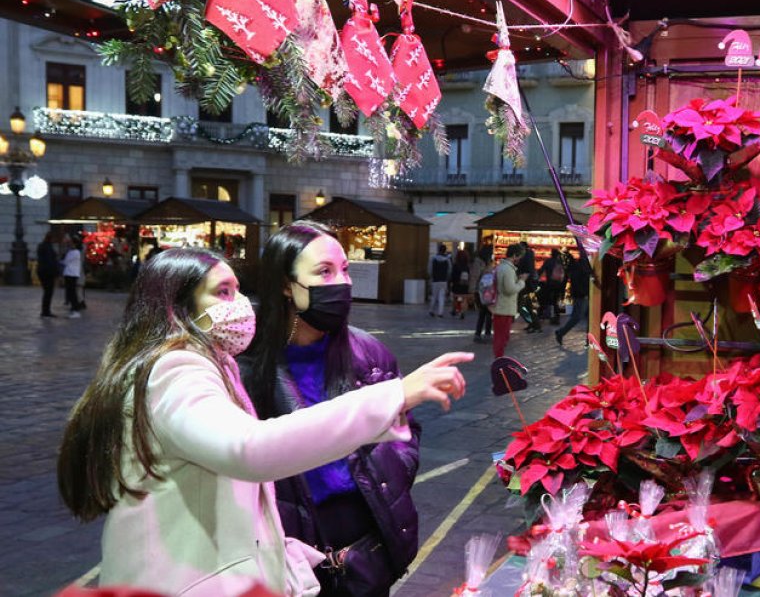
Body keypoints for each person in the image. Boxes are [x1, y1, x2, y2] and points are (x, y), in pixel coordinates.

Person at [57, 248, 469, 596]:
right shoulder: (175, 368)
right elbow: (250, 450)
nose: (239, 304)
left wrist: (277, 549)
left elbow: (218, 490)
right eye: (222, 292)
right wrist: (395, 394)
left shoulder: (209, 361)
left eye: (238, 289)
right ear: (178, 307)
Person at [240, 221, 456, 595]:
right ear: (285, 285)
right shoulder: (247, 366)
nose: (341, 283)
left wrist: (393, 472)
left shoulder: (368, 351)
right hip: (290, 548)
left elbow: (406, 429)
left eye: (345, 270)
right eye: (324, 271)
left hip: (366, 537)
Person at [492, 244, 526, 359]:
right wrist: (521, 281)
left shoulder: (502, 267)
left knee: (501, 336)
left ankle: (499, 358)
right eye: (519, 256)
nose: (520, 259)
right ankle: (499, 360)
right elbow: (510, 289)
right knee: (502, 337)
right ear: (515, 255)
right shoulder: (508, 269)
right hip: (504, 308)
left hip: (502, 307)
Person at [554, 251, 592, 346]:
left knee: (584, 317)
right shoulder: (578, 266)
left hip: (582, 295)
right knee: (578, 317)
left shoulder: (575, 267)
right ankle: (561, 332)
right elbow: (581, 281)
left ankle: (589, 340)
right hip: (583, 295)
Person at [470, 245, 494, 342]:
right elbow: (474, 277)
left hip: (486, 290)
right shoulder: (480, 263)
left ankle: (483, 334)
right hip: (480, 291)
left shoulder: (485, 262)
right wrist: (472, 290)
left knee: (486, 312)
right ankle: (480, 334)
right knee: (484, 312)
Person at [37, 230, 61, 317]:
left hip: (43, 272)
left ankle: (45, 310)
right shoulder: (48, 247)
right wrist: (56, 273)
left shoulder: (43, 246)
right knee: (48, 292)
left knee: (47, 292)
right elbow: (50, 262)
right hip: (47, 273)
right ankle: (45, 311)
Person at [538, 248, 565, 325]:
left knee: (546, 300)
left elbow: (541, 270)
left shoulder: (548, 261)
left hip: (549, 284)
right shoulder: (559, 262)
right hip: (558, 285)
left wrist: (537, 277)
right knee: (555, 301)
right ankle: (556, 318)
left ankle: (541, 315)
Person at [517, 241, 540, 332]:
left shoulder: (526, 256)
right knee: (528, 306)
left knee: (523, 306)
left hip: (526, 285)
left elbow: (526, 270)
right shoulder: (529, 255)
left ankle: (534, 324)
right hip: (529, 285)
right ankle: (534, 324)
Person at [61, 236, 84, 318]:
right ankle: (74, 308)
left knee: (72, 292)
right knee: (70, 292)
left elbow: (65, 261)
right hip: (69, 273)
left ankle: (75, 309)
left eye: (71, 243)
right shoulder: (72, 252)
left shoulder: (75, 252)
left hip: (71, 274)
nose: (69, 244)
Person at [428, 244, 451, 318]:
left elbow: (430, 269)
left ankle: (431, 310)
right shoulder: (447, 260)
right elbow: (449, 270)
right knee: (442, 296)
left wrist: (431, 276)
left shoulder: (433, 259)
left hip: (435, 280)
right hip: (443, 280)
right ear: (445, 250)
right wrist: (447, 278)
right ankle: (440, 312)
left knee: (434, 296)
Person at [450, 248, 472, 319]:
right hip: (465, 284)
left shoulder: (456, 265)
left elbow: (453, 275)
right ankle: (463, 312)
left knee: (455, 297)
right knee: (464, 299)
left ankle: (454, 310)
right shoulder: (467, 266)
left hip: (457, 283)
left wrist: (452, 282)